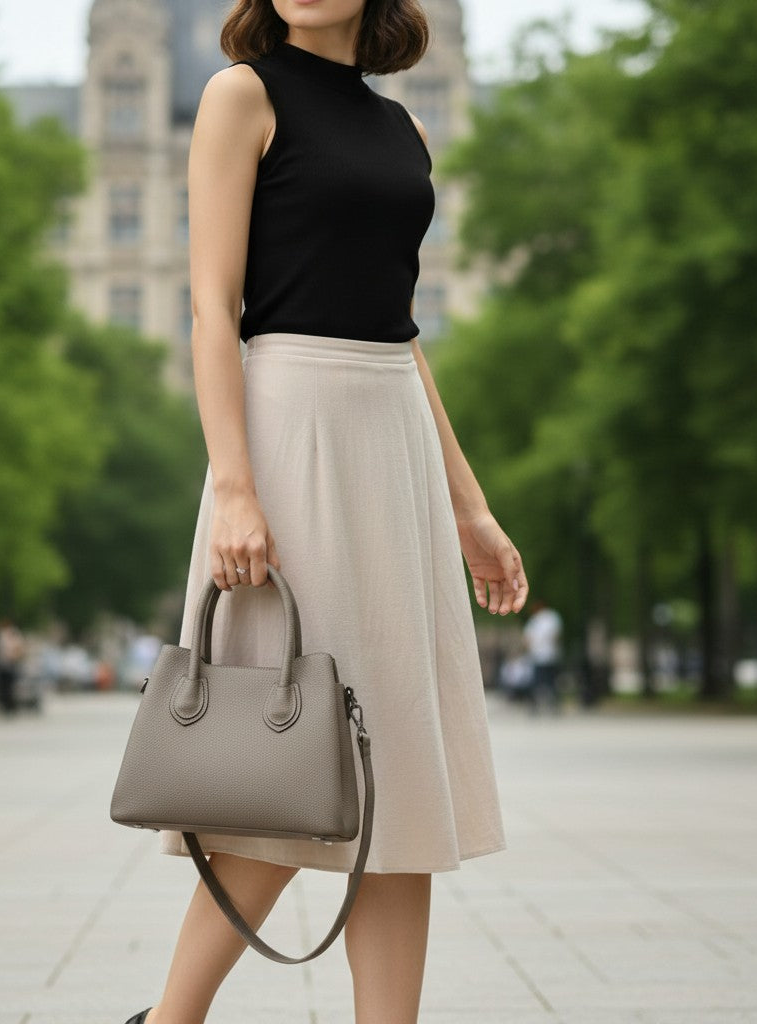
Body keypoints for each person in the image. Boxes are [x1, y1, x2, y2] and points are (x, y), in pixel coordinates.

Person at [124, 2, 528, 1022]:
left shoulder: (406, 131)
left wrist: (469, 506)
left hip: (387, 432)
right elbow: (212, 307)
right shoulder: (240, 96)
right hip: (288, 428)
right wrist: (232, 484)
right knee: (284, 768)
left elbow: (400, 331)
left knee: (398, 789)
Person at [523, 600, 563, 714]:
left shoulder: (535, 621)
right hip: (549, 655)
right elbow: (556, 635)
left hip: (539, 655)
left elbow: (527, 639)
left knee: (537, 682)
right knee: (551, 682)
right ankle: (553, 705)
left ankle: (535, 706)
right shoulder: (552, 617)